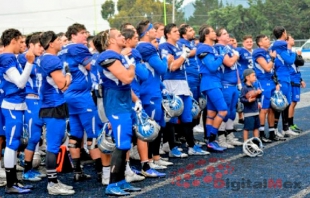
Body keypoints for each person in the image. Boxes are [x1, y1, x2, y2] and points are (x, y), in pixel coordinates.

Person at [96, 28, 141, 196]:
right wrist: (131, 64)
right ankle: (112, 184)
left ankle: (121, 181)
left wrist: (137, 101)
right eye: (120, 35)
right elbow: (127, 78)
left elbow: (126, 84)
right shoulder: (107, 56)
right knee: (121, 144)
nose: (124, 37)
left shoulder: (118, 56)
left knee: (125, 143)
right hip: (115, 103)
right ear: (111, 41)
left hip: (124, 101)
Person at [59, 23, 102, 181]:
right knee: (93, 133)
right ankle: (100, 171)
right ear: (73, 35)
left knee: (76, 133)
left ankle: (77, 171)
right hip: (81, 95)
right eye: (83, 33)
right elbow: (91, 67)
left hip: (68, 94)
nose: (86, 35)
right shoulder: (78, 48)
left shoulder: (63, 49)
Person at [159, 23, 208, 155]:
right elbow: (172, 67)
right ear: (168, 34)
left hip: (183, 82)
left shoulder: (180, 46)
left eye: (177, 31)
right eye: (174, 31)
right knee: (173, 116)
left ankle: (191, 146)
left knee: (187, 115)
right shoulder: (164, 47)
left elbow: (191, 53)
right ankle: (172, 147)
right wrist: (183, 56)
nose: (177, 33)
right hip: (171, 82)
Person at [37, 30, 75, 195]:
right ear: (51, 43)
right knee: (53, 145)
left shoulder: (44, 58)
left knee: (54, 143)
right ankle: (52, 184)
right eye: (58, 39)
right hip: (53, 104)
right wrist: (68, 76)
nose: (61, 42)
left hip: (50, 103)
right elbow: (63, 85)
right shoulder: (51, 59)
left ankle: (53, 181)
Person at [135, 20, 173, 175]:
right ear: (146, 32)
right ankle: (149, 161)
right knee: (152, 126)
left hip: (154, 88)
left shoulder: (148, 46)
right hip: (149, 91)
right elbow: (162, 68)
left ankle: (155, 157)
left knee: (159, 123)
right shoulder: (145, 47)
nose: (156, 32)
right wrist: (166, 59)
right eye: (152, 29)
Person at [0, 28, 34, 194]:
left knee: (13, 144)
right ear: (12, 40)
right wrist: (29, 62)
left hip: (16, 105)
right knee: (12, 144)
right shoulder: (6, 58)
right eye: (20, 41)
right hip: (12, 106)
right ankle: (10, 184)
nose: (24, 45)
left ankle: (13, 181)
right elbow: (20, 83)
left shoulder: (10, 57)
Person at [17, 33, 46, 182]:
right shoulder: (24, 57)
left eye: (43, 46)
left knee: (42, 136)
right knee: (32, 136)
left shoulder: (42, 59)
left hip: (43, 102)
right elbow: (22, 58)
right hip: (30, 101)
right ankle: (27, 170)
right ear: (31, 45)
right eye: (39, 46)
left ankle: (30, 167)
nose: (42, 49)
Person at [196, 25, 227, 152]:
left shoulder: (210, 48)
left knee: (211, 113)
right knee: (223, 110)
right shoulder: (203, 48)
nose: (215, 33)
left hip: (214, 82)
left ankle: (209, 140)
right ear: (207, 35)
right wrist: (221, 56)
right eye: (213, 32)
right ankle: (212, 138)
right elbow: (212, 66)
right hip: (210, 82)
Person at [214, 28, 243, 149]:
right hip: (225, 83)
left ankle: (229, 135)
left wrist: (239, 82)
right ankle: (221, 138)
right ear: (218, 37)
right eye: (224, 34)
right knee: (224, 111)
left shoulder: (229, 47)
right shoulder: (219, 47)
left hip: (233, 84)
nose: (228, 35)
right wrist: (236, 56)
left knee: (232, 111)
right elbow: (229, 63)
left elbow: (235, 67)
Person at [252, 34, 284, 142]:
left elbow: (272, 70)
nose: (268, 40)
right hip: (262, 82)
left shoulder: (267, 52)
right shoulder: (258, 52)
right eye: (266, 39)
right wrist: (272, 58)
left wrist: (276, 82)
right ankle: (260, 134)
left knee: (272, 109)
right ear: (260, 43)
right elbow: (266, 68)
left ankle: (271, 133)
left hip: (270, 82)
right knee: (264, 109)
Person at [271, 26, 298, 137]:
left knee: (286, 103)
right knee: (280, 103)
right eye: (286, 32)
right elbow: (290, 60)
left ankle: (285, 128)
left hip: (285, 76)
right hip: (281, 76)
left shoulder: (280, 45)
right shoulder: (280, 45)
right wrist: (294, 53)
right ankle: (276, 129)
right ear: (283, 33)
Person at [287, 34, 306, 133]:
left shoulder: (292, 52)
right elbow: (301, 62)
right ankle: (289, 125)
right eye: (291, 38)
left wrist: (301, 79)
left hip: (296, 78)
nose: (293, 39)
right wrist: (298, 55)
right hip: (291, 79)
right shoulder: (288, 53)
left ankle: (291, 124)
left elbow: (297, 66)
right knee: (292, 103)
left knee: (294, 103)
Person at [240, 69, 262, 140]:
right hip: (249, 112)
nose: (255, 77)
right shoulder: (244, 88)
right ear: (247, 77)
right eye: (253, 75)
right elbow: (242, 99)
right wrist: (248, 100)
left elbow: (257, 97)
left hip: (255, 111)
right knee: (247, 128)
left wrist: (259, 93)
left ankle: (256, 140)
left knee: (256, 127)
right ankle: (245, 142)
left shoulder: (253, 87)